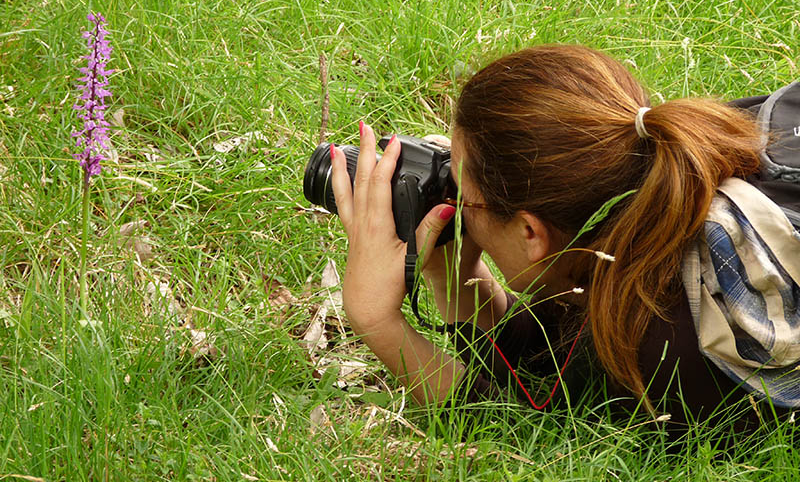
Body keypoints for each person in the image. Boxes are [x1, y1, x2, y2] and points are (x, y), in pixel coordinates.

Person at [328, 44, 799, 436]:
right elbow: (547, 353)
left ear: (531, 233)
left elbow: (521, 438)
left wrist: (376, 320)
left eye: (462, 192)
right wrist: (455, 277)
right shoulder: (685, 147)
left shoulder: (671, 343)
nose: (454, 199)